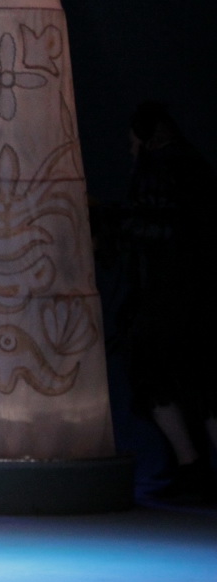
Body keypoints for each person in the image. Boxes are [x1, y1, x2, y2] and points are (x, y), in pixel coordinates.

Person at [115, 101, 217, 501]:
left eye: (132, 142)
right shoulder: (194, 165)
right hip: (199, 293)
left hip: (171, 295)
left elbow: (155, 229)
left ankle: (191, 466)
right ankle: (192, 467)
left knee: (159, 376)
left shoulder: (158, 170)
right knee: (201, 383)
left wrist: (113, 226)